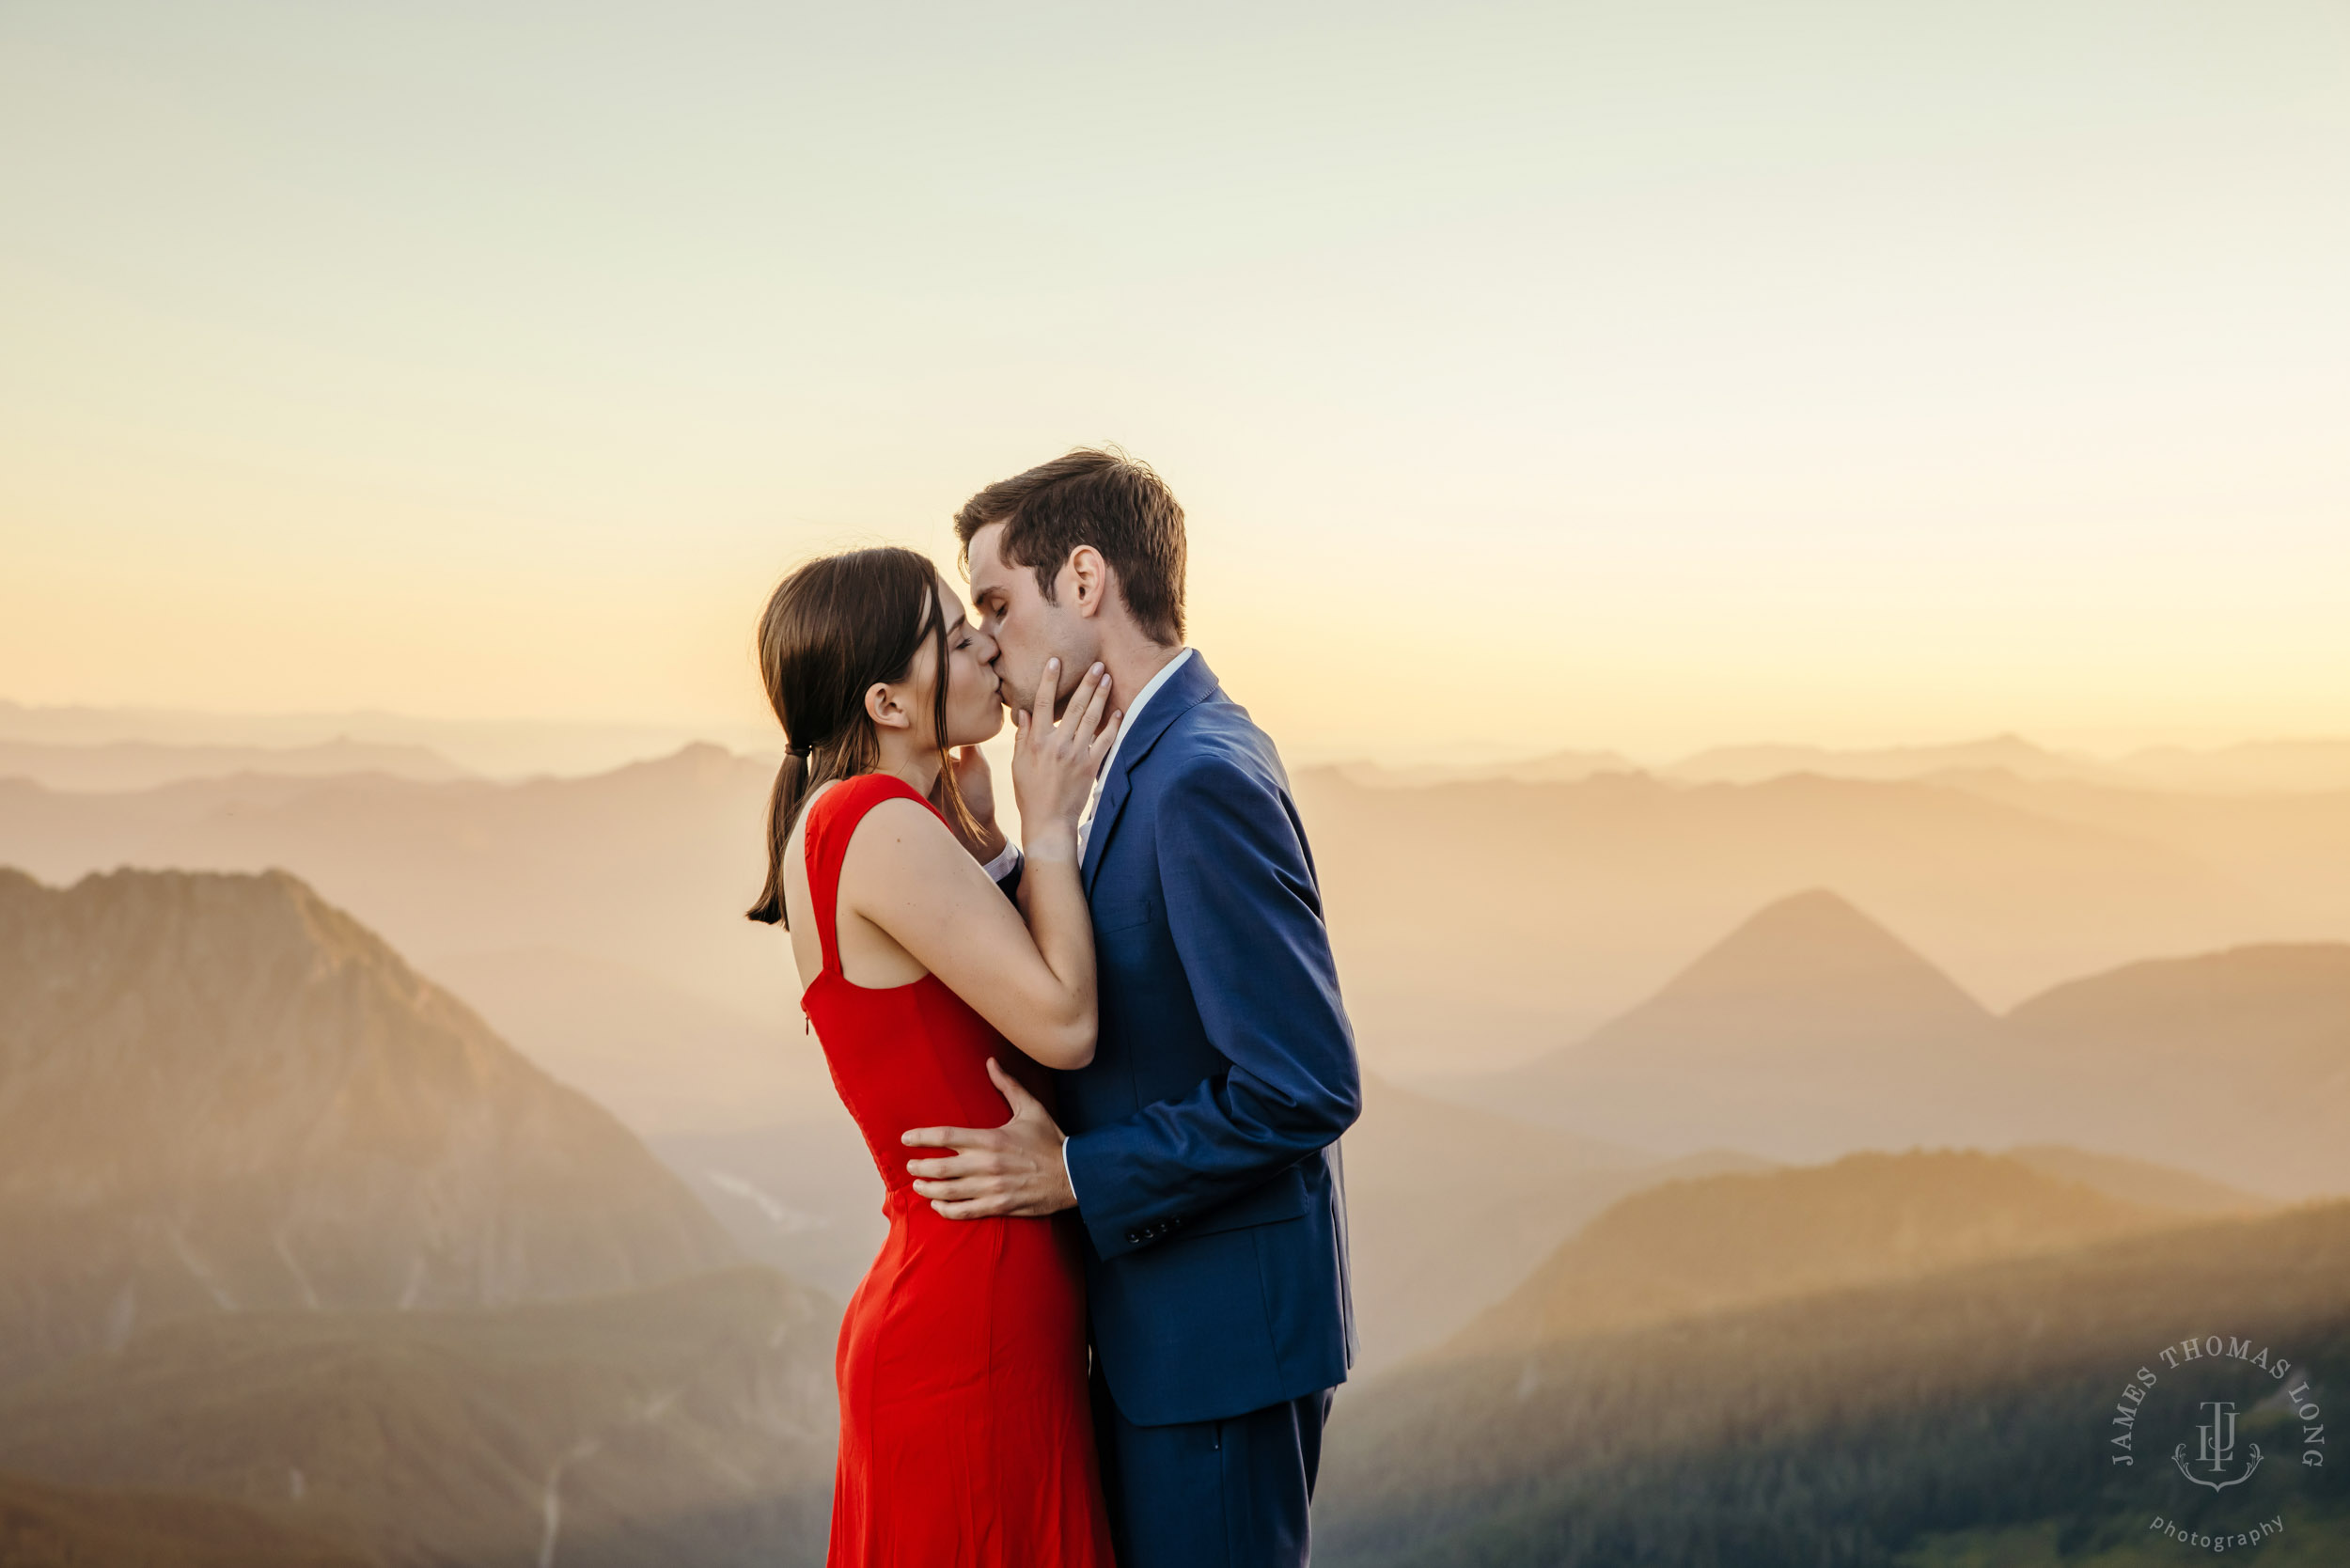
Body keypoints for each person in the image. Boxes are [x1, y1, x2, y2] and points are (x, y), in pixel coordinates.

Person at [902, 449, 1362, 1568]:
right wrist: (1001, 852)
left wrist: (1073, 1176)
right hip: (1176, 1337)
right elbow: (1133, 957)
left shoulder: (1195, 771)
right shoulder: (1146, 753)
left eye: (998, 603)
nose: (986, 642)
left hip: (1214, 1356)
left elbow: (1304, 1083)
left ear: (1086, 578)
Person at [745, 543, 1124, 1567]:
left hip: (961, 1294)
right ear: (891, 702)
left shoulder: (856, 822)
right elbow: (1063, 1023)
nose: (989, 648)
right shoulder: (873, 822)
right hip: (975, 1315)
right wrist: (1050, 828)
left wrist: (993, 843)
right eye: (959, 640)